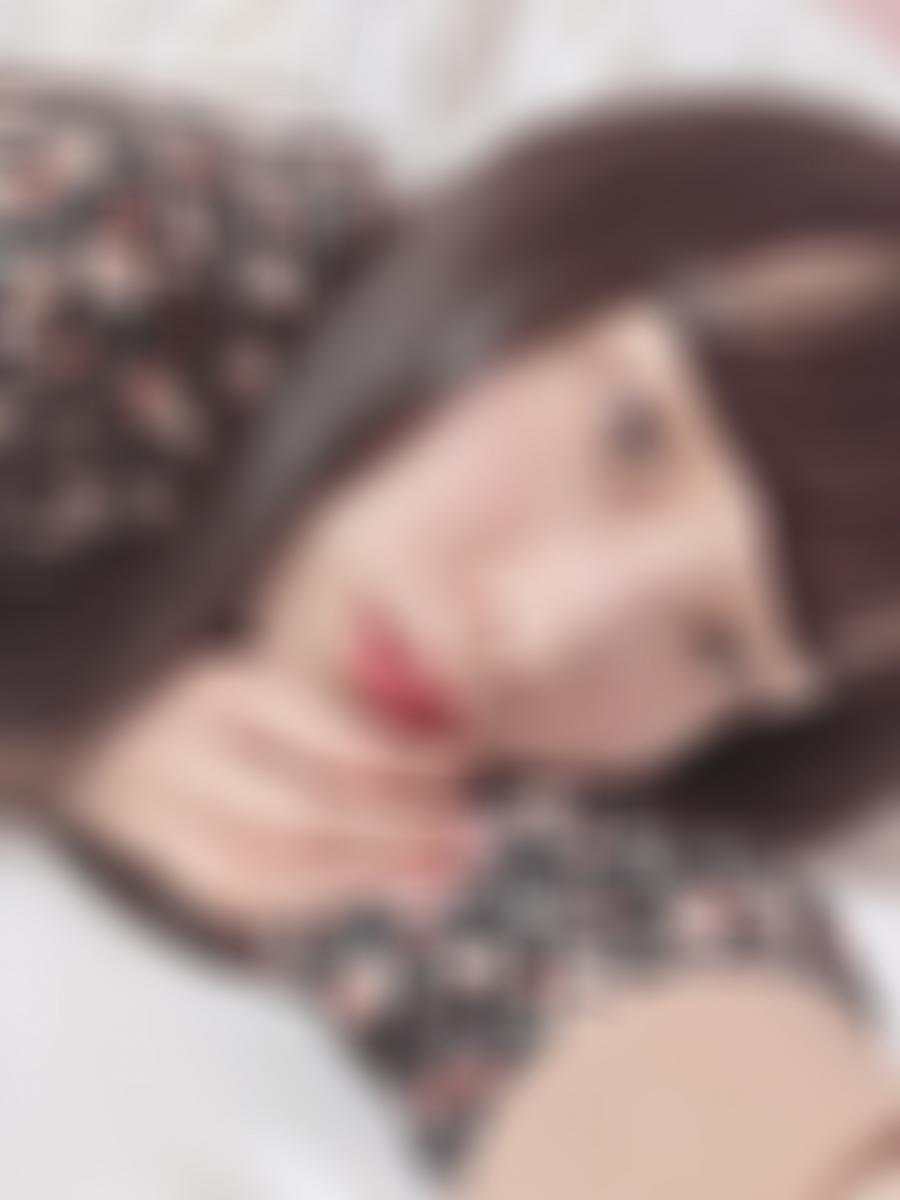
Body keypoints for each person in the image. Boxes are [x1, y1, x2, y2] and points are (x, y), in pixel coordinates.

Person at [4, 77, 900, 1198]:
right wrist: (67, 735)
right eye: (630, 432)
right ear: (546, 254)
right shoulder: (105, 242)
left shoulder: (508, 818)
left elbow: (635, 972)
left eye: (718, 648)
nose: (545, 630)